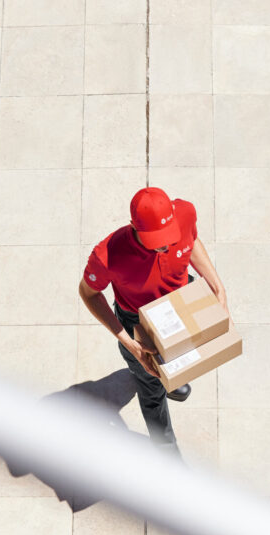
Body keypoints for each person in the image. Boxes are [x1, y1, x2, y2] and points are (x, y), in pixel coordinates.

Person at [79, 187, 228, 455]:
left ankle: (174, 377)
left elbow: (191, 241)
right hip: (138, 322)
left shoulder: (185, 212)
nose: (165, 245)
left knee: (182, 355)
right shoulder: (108, 255)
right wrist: (128, 342)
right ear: (133, 227)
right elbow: (88, 293)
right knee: (150, 386)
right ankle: (166, 452)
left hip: (180, 303)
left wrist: (217, 285)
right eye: (157, 240)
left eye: (169, 236)